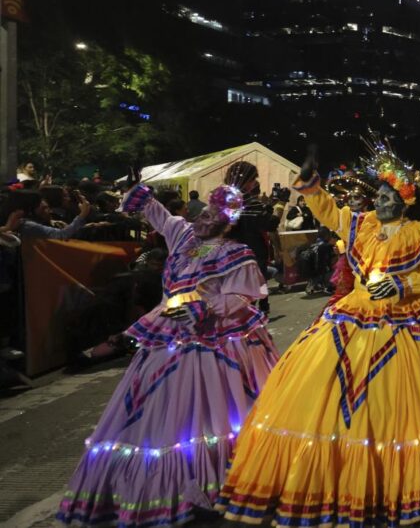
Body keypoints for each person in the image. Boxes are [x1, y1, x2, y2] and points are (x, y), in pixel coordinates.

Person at [216, 142, 420, 527]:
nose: (377, 201)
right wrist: (310, 184)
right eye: (377, 195)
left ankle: (388, 469)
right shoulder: (361, 225)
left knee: (398, 405)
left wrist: (403, 285)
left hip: (406, 317)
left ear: (404, 200)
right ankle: (328, 471)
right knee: (320, 391)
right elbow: (329, 211)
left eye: (385, 196)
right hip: (354, 314)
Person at [56, 178, 279, 527]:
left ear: (229, 220)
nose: (206, 217)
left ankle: (217, 478)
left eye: (216, 213)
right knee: (157, 413)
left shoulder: (237, 253)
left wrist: (205, 308)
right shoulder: (183, 237)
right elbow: (158, 214)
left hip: (216, 341)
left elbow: (242, 298)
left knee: (214, 412)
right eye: (206, 209)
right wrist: (140, 194)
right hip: (169, 334)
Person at [224, 161, 286, 314]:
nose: (254, 183)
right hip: (249, 256)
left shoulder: (221, 198)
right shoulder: (247, 202)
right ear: (247, 180)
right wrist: (281, 204)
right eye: (253, 179)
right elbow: (271, 223)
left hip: (226, 259)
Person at [4, 189, 90, 240]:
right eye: (39, 202)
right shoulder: (27, 225)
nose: (44, 204)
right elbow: (61, 235)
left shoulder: (22, 222)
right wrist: (83, 214)